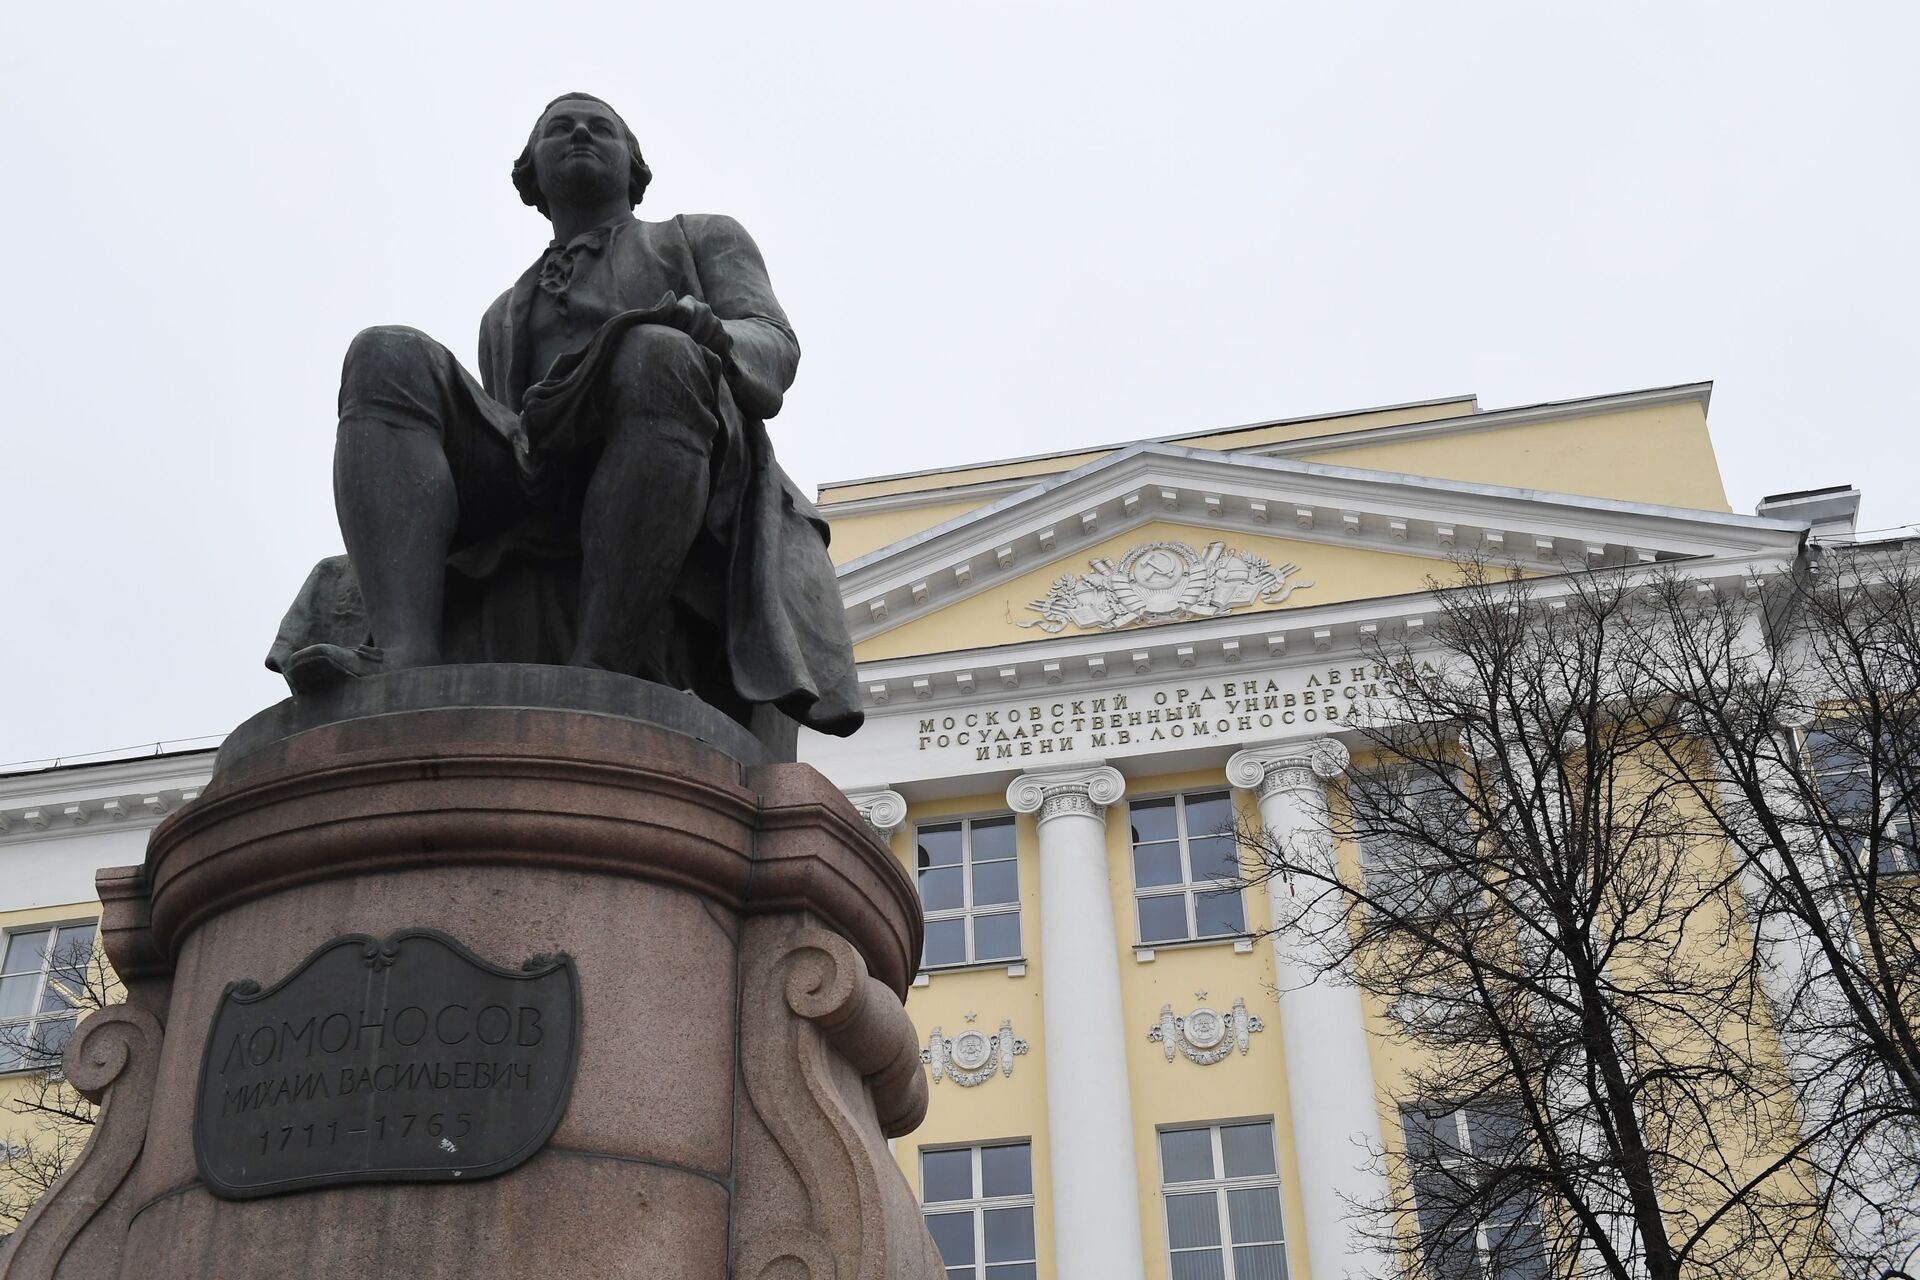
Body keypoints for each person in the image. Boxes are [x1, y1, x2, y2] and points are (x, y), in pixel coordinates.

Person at [268, 92, 862, 741]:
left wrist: (713, 336)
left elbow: (773, 341)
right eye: (559, 129)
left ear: (633, 167)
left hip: (674, 430)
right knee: (387, 353)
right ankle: (405, 656)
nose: (580, 132)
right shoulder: (504, 311)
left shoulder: (700, 235)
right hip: (538, 457)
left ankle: (601, 663)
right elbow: (509, 420)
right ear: (531, 175)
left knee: (656, 353)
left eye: (600, 128)